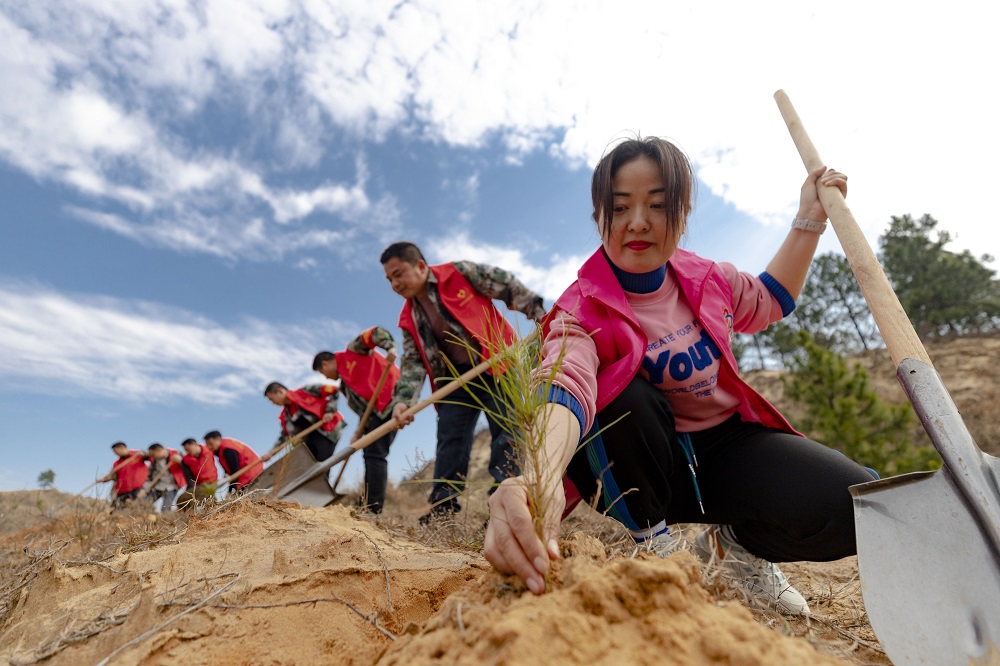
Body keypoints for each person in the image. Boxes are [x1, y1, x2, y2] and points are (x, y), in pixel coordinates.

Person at [484, 136, 875, 616]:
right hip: (642, 466)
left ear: (684, 215)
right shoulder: (579, 310)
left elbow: (772, 299)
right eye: (621, 207)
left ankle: (738, 548)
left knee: (856, 504)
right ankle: (654, 544)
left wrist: (810, 218)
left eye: (658, 205)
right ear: (599, 218)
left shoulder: (709, 279)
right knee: (623, 394)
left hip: (727, 451)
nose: (639, 222)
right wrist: (537, 480)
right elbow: (564, 385)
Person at [380, 241, 547, 523]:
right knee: (450, 442)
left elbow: (505, 285)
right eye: (389, 279)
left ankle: (505, 507)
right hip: (454, 380)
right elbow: (412, 362)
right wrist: (403, 402)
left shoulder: (459, 273)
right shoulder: (408, 317)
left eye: (398, 274)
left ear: (420, 266)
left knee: (507, 434)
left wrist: (540, 314)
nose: (394, 284)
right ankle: (442, 510)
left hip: (497, 363)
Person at [313, 326, 400, 514]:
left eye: (322, 373)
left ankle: (373, 508)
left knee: (375, 454)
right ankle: (369, 505)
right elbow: (364, 411)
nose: (326, 377)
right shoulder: (346, 387)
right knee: (370, 454)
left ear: (326, 364)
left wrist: (390, 348)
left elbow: (375, 333)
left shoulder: (352, 351)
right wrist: (358, 432)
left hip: (391, 401)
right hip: (375, 415)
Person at [262, 382, 345, 463]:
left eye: (271, 399)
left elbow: (334, 390)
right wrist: (271, 453)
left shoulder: (305, 392)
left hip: (328, 430)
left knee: (320, 461)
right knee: (305, 460)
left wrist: (329, 411)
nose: (273, 403)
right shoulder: (285, 417)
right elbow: (284, 437)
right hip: (311, 439)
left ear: (280, 391)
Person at [98, 441, 149, 509]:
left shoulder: (137, 454)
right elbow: (112, 475)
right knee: (117, 508)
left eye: (116, 451)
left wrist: (144, 454)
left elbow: (150, 457)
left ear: (122, 448)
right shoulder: (117, 463)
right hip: (122, 490)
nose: (115, 453)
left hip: (138, 488)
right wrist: (104, 479)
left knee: (138, 507)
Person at [140, 443, 186, 511]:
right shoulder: (154, 461)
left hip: (171, 486)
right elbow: (150, 477)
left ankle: (166, 520)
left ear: (159, 450)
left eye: (153, 455)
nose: (152, 457)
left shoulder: (176, 453)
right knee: (144, 503)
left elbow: (189, 464)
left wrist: (181, 460)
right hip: (158, 486)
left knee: (166, 508)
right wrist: (144, 490)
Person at [176, 438, 219, 508]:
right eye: (186, 450)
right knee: (182, 500)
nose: (187, 451)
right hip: (199, 485)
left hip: (212, 482)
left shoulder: (209, 450)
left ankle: (214, 509)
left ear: (195, 445)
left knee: (208, 497)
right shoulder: (186, 460)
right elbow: (188, 477)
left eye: (188, 449)